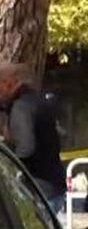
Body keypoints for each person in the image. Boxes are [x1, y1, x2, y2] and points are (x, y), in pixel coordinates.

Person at [0, 64, 66, 218]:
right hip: (51, 185)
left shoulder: (21, 107)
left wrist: (10, 172)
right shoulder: (36, 101)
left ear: (8, 82)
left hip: (38, 188)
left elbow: (25, 148)